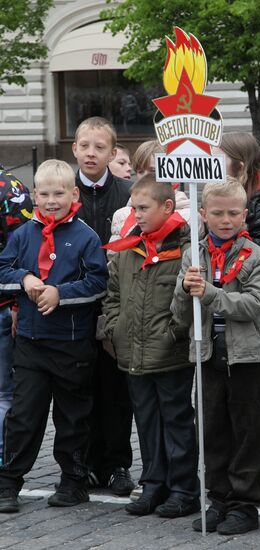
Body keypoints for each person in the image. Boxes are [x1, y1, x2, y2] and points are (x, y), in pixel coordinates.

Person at [0, 160, 108, 513]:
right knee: (24, 416)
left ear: (74, 194)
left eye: (59, 193)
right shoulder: (23, 235)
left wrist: (60, 293)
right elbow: (3, 268)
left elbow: (98, 282)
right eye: (43, 193)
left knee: (72, 416)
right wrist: (26, 279)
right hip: (30, 342)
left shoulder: (86, 236)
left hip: (71, 343)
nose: (50, 200)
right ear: (34, 195)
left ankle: (74, 480)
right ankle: (9, 482)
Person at [171, 179, 260, 535]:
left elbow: (252, 305)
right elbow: (181, 316)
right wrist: (185, 291)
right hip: (208, 355)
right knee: (212, 431)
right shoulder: (193, 256)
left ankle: (244, 505)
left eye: (233, 213)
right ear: (203, 214)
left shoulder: (257, 256)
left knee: (246, 432)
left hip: (245, 357)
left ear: (244, 214)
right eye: (217, 213)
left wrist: (210, 293)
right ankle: (218, 498)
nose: (225, 219)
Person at [103, 174, 200, 519]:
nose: (137, 214)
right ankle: (154, 484)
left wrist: (175, 331)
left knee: (175, 421)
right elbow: (113, 294)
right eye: (134, 207)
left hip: (169, 352)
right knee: (146, 422)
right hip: (134, 352)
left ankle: (184, 488)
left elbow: (189, 301)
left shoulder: (187, 248)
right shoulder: (130, 248)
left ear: (167, 207)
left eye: (143, 208)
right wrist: (114, 329)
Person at [215, 132, 260, 495]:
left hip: (253, 311)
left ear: (238, 164)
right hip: (221, 317)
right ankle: (227, 474)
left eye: (220, 155)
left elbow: (254, 255)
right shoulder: (220, 192)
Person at [72, 116, 135, 496]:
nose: (91, 153)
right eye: (85, 146)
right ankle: (84, 463)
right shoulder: (64, 192)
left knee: (116, 389)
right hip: (74, 307)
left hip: (118, 306)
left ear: (113, 154)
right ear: (75, 149)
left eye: (100, 147)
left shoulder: (128, 194)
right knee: (79, 387)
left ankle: (117, 464)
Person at [0, 165, 33, 462]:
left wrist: (15, 304)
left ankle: (3, 462)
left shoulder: (10, 189)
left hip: (2, 306)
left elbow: (21, 252)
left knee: (3, 393)